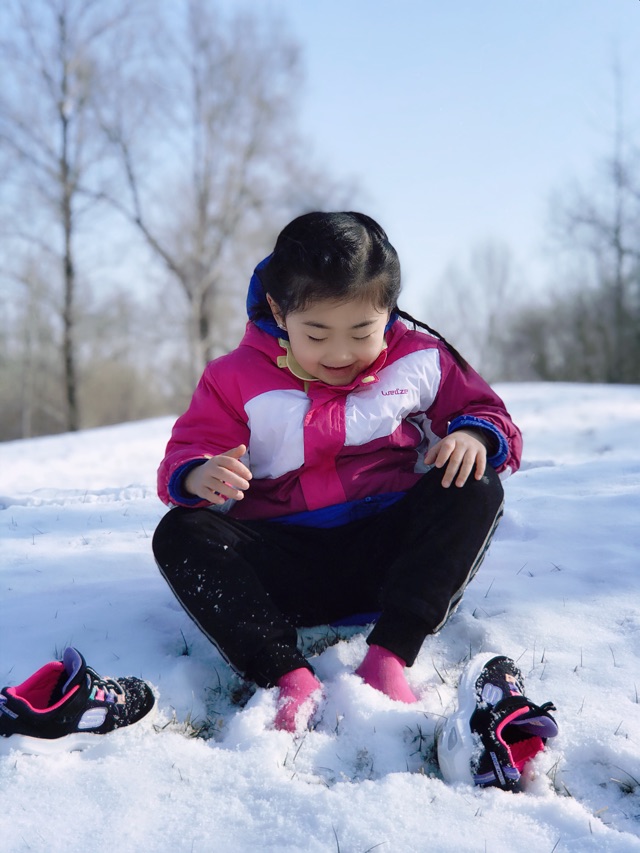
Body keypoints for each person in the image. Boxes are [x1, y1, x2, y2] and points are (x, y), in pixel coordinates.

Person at [153, 211, 522, 733]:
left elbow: (491, 415)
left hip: (389, 556)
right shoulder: (232, 378)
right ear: (280, 312)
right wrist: (196, 475)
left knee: (474, 482)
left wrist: (473, 435)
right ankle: (285, 674)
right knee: (181, 533)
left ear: (387, 311)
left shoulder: (421, 358)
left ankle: (390, 655)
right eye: (318, 333)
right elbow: (188, 449)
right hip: (286, 563)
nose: (341, 353)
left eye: (361, 331)